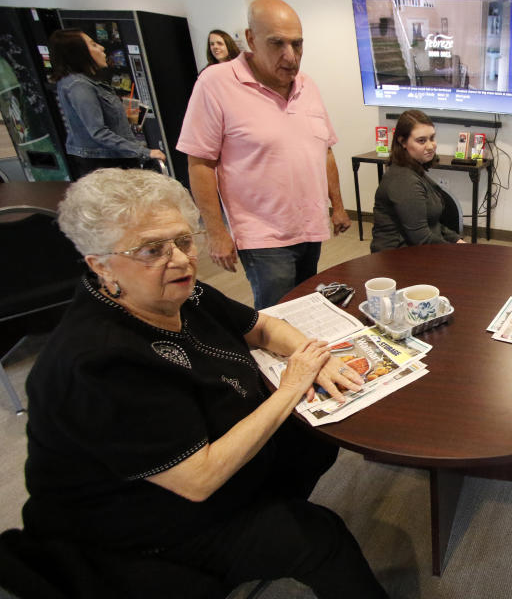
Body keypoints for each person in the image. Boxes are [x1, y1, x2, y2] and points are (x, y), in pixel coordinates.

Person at [20, 168, 386, 598]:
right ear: (100, 265)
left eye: (183, 240)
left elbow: (262, 327)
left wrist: (313, 357)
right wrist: (291, 386)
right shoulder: (100, 362)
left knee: (314, 438)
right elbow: (198, 478)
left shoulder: (182, 294)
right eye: (151, 250)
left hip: (211, 463)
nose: (179, 259)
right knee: (320, 537)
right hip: (141, 526)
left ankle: (268, 510)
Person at [177, 0, 351, 310]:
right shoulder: (216, 83)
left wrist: (337, 206)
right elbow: (200, 163)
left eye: (297, 44)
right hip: (262, 235)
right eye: (277, 44)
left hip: (310, 226)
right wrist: (216, 232)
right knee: (278, 312)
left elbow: (324, 150)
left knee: (306, 303)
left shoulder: (307, 86)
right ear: (250, 39)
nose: (291, 56)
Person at [50, 28, 166, 180]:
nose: (102, 47)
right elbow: (98, 132)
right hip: (107, 164)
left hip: (114, 160)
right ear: (78, 53)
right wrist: (145, 152)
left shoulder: (86, 81)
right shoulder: (79, 86)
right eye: (93, 45)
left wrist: (128, 114)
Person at [369, 109, 466, 252]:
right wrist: (459, 253)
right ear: (402, 142)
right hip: (396, 259)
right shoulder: (403, 181)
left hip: (416, 252)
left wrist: (456, 240)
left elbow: (433, 224)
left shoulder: (414, 171)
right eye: (421, 141)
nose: (430, 146)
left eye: (432, 138)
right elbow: (421, 239)